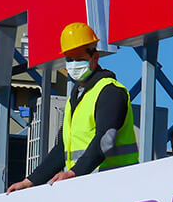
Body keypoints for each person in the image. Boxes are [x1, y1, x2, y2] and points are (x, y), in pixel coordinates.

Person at [8, 22, 138, 191]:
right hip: (86, 186)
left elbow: (105, 140)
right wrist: (30, 181)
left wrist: (74, 173)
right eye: (70, 60)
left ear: (95, 58)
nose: (74, 64)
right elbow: (62, 148)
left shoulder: (110, 91)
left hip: (116, 186)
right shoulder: (75, 98)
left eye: (80, 59)